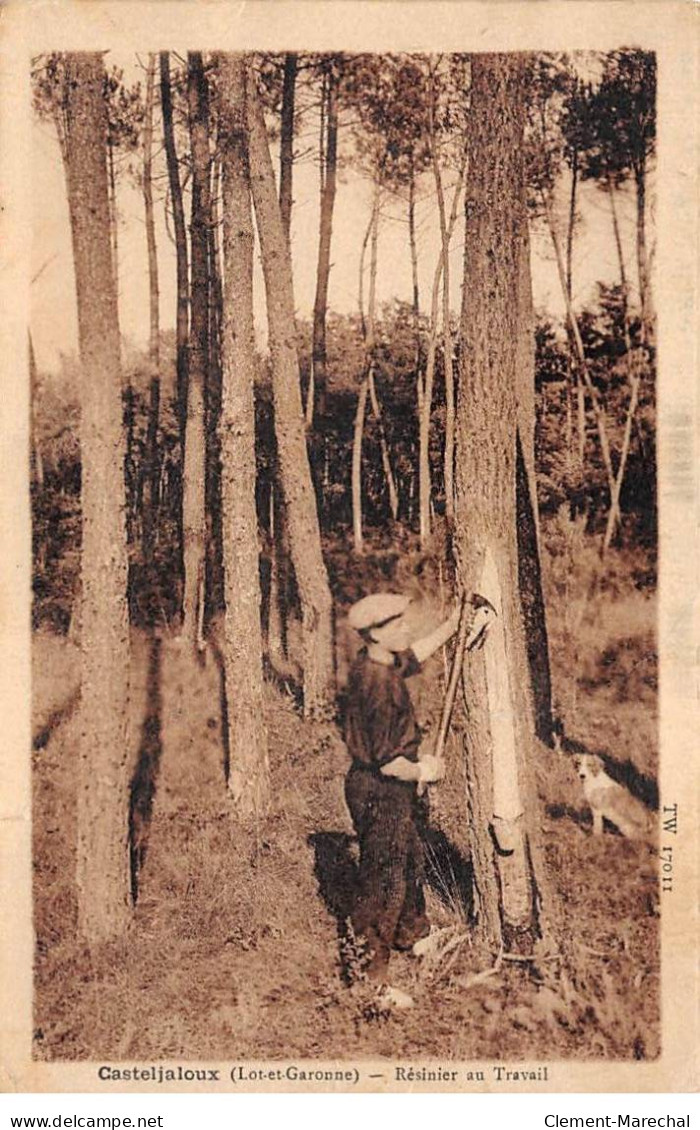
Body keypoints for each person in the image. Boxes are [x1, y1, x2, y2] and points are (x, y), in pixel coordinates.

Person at [343, 592, 461, 1003]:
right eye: (396, 624)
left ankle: (412, 935)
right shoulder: (375, 686)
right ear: (374, 634)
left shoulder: (382, 660)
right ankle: (369, 980)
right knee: (382, 883)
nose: (405, 627)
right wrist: (424, 770)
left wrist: (453, 625)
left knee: (409, 854)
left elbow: (415, 653)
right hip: (379, 789)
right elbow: (388, 762)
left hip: (392, 786)